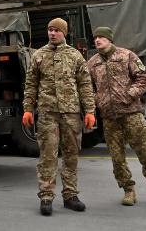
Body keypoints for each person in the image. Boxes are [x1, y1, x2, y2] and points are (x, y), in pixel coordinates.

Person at [22, 17, 96, 216]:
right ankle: (46, 197)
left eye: (56, 30)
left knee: (71, 155)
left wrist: (90, 111)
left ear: (64, 33)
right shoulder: (38, 56)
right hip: (47, 113)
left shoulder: (75, 56)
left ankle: (70, 195)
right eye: (50, 30)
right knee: (48, 155)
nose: (52, 33)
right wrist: (28, 108)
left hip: (71, 113)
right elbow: (31, 85)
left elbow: (85, 85)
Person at [86, 26, 146, 208]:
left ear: (110, 39)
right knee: (117, 158)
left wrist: (130, 94)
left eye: (101, 37)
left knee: (145, 152)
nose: (97, 40)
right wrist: (97, 100)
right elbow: (86, 86)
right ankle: (128, 190)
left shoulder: (126, 55)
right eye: (95, 37)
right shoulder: (92, 63)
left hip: (131, 114)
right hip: (109, 117)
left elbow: (144, 78)